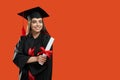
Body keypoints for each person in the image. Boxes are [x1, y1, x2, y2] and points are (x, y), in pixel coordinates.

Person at [13, 7, 53, 80]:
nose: (38, 24)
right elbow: (16, 57)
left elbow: (45, 63)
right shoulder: (23, 39)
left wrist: (26, 60)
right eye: (34, 22)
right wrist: (36, 58)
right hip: (24, 77)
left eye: (40, 21)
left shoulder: (47, 39)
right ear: (30, 23)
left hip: (41, 77)